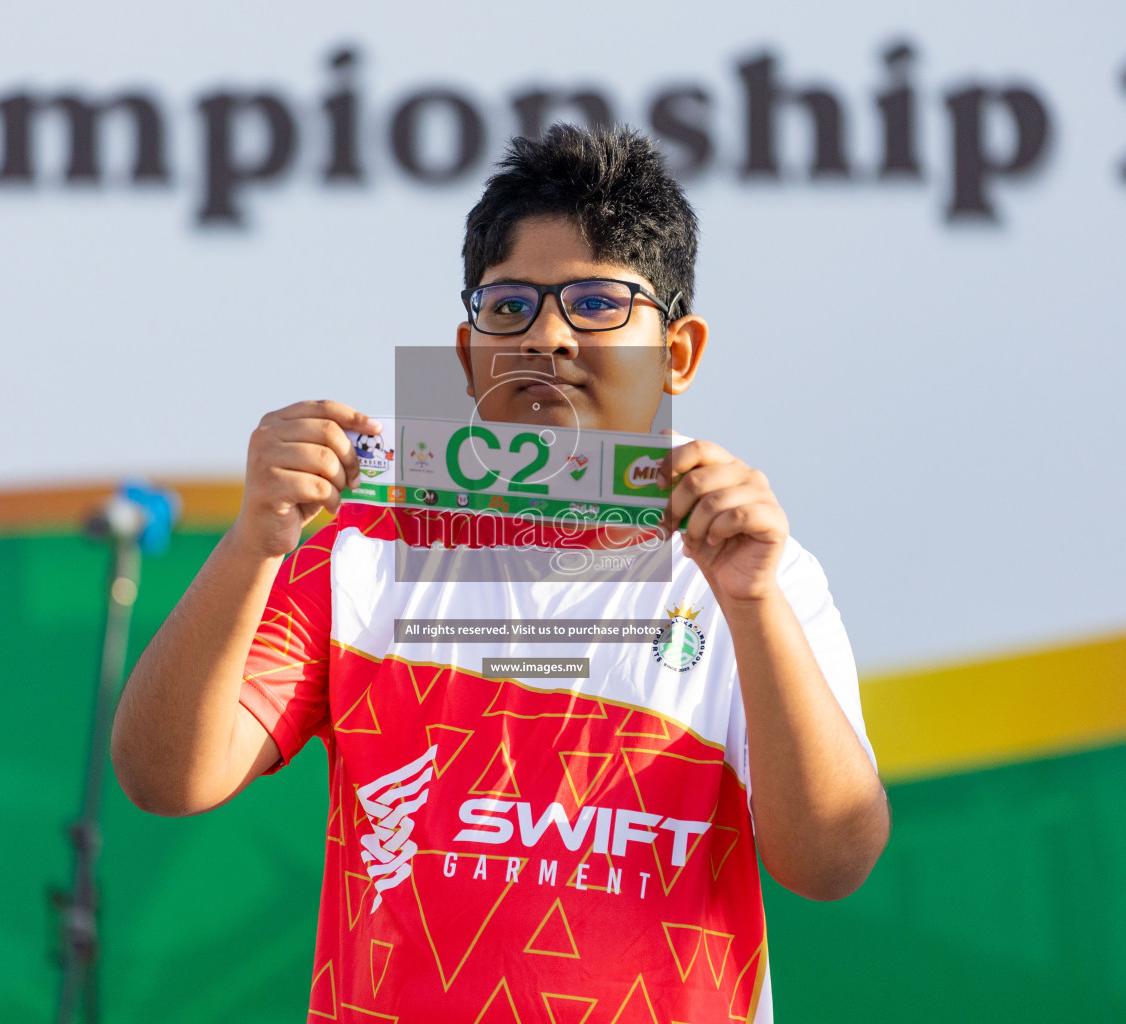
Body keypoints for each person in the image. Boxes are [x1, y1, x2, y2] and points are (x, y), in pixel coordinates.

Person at [111, 124, 889, 1022]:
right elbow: (164, 780)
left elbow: (833, 865)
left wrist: (749, 603)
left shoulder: (761, 576)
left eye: (599, 303)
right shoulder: (359, 547)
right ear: (467, 350)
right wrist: (251, 541)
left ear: (677, 352)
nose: (547, 337)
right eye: (510, 305)